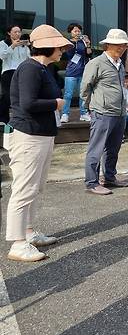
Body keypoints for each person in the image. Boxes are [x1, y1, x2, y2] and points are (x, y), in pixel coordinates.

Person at [5, 24, 72, 262]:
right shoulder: (30, 69)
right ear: (48, 46)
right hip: (28, 135)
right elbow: (28, 103)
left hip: (40, 135)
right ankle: (18, 242)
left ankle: (29, 232)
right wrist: (56, 103)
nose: (62, 50)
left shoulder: (42, 69)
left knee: (35, 187)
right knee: (24, 189)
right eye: (60, 46)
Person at [80, 29, 128, 195]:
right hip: (102, 112)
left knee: (113, 148)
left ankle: (110, 177)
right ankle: (92, 182)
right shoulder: (96, 63)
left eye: (124, 45)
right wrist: (90, 106)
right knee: (96, 148)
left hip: (119, 113)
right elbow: (85, 88)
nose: (122, 48)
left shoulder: (120, 64)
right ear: (108, 44)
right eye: (119, 44)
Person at [60, 23, 92, 123]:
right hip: (71, 72)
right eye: (75, 31)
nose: (77, 33)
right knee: (68, 94)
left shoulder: (83, 42)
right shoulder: (68, 43)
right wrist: (75, 43)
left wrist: (88, 44)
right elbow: (69, 54)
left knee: (82, 94)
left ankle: (83, 113)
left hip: (83, 71)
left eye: (79, 31)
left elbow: (89, 53)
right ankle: (65, 114)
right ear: (70, 32)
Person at [0, 25, 30, 123]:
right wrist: (12, 46)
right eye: (15, 32)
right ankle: (3, 120)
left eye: (19, 32)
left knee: (21, 96)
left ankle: (21, 119)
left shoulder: (23, 45)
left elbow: (28, 58)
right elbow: (2, 56)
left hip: (21, 72)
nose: (18, 34)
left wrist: (29, 46)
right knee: (7, 96)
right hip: (8, 72)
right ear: (9, 33)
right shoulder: (3, 43)